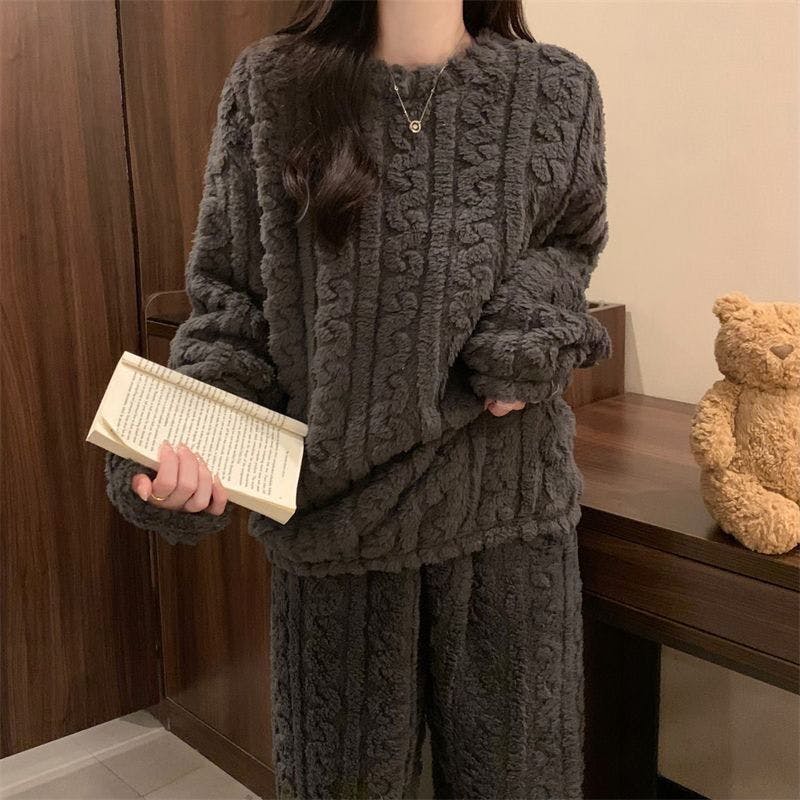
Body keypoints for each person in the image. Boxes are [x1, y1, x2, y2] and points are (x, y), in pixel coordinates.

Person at [104, 1, 612, 797]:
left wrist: (527, 334)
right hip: (334, 532)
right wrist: (182, 448)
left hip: (506, 511)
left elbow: (568, 246)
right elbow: (233, 301)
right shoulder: (271, 85)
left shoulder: (558, 88)